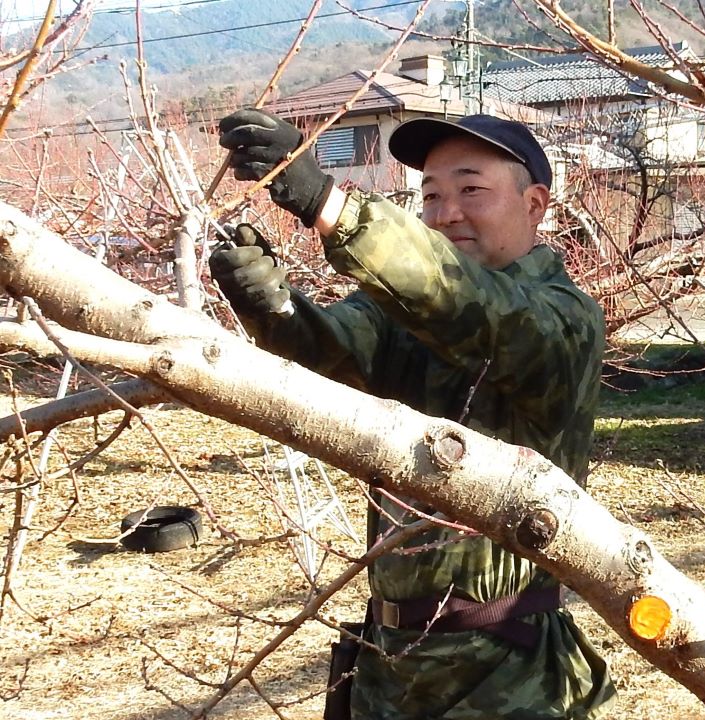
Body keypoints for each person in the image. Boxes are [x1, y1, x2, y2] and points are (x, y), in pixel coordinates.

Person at [210, 109, 617, 720]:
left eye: (471, 189)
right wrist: (263, 296)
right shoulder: (402, 314)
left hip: (503, 670)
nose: (447, 212)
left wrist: (329, 203)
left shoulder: (564, 317)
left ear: (535, 204)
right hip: (388, 661)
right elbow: (331, 352)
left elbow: (473, 307)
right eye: (431, 195)